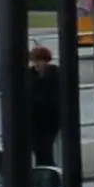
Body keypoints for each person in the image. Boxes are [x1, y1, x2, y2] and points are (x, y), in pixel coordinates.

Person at [24, 43, 65, 172]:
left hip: (49, 120)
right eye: (35, 61)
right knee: (39, 151)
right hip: (34, 120)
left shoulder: (53, 75)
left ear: (46, 61)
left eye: (39, 61)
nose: (37, 64)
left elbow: (54, 97)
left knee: (45, 151)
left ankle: (48, 173)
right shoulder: (30, 75)